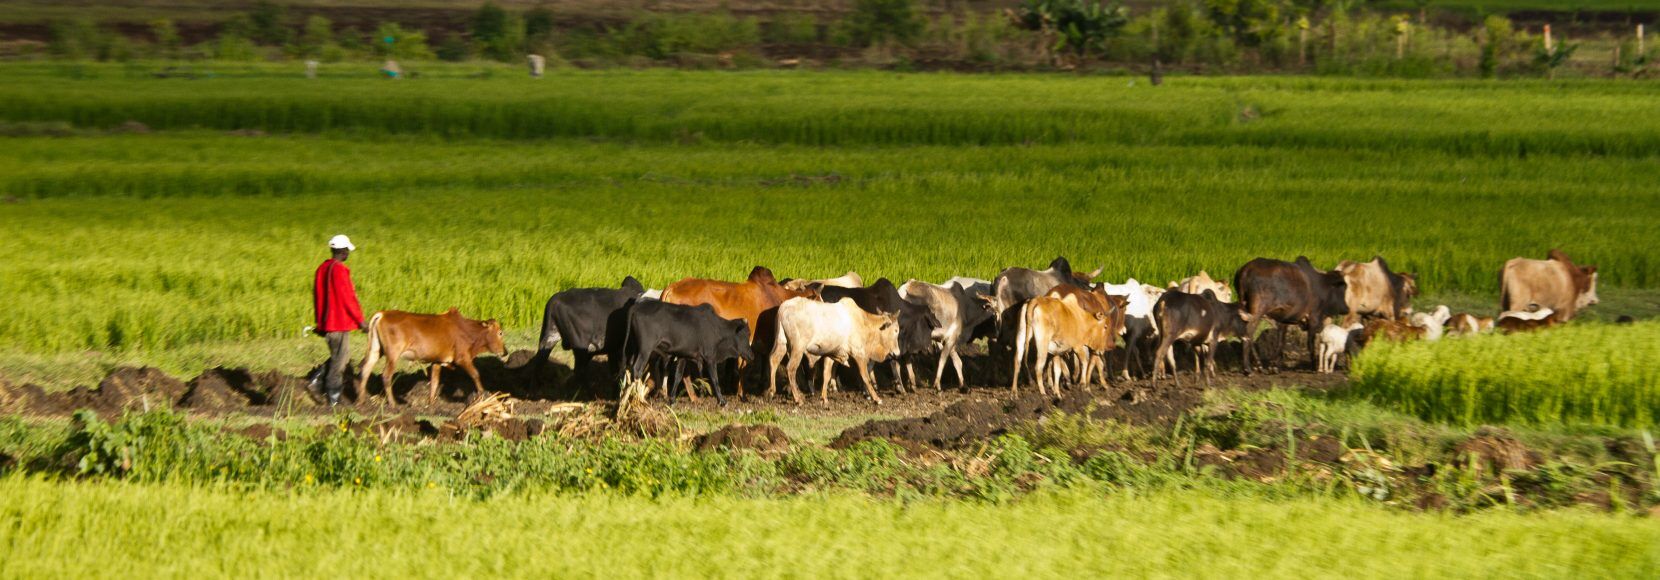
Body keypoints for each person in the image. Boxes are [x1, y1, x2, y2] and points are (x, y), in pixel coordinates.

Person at [312, 235, 366, 406]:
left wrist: (320, 323)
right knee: (340, 361)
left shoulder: (322, 269)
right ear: (342, 251)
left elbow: (317, 298)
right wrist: (360, 321)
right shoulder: (340, 270)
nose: (348, 253)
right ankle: (332, 399)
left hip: (327, 324)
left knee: (337, 355)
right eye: (347, 251)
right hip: (339, 324)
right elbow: (348, 298)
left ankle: (317, 380)